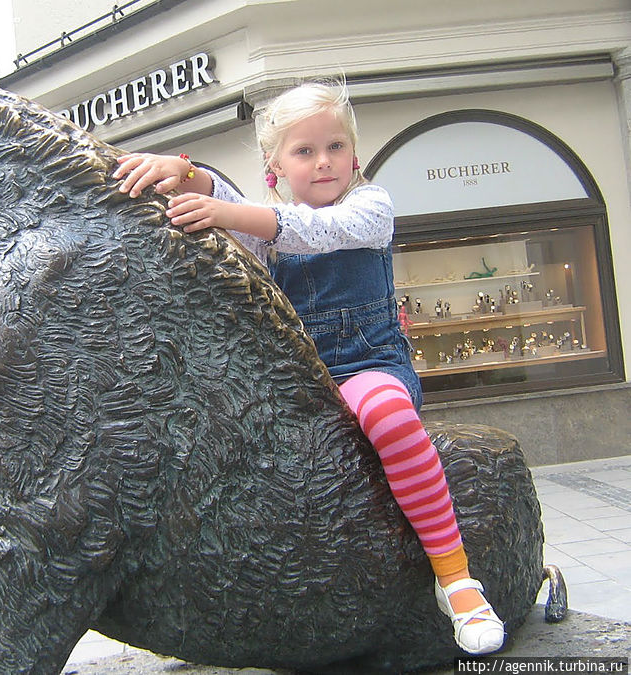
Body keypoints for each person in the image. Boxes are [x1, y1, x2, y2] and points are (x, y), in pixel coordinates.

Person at [112, 79, 505, 655]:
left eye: (335, 147)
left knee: (391, 417)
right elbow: (235, 231)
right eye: (304, 151)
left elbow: (314, 232)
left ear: (355, 154)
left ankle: (456, 579)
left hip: (369, 368)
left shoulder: (372, 207)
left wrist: (226, 207)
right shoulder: (262, 227)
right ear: (275, 167)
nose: (323, 162)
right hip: (297, 385)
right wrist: (187, 174)